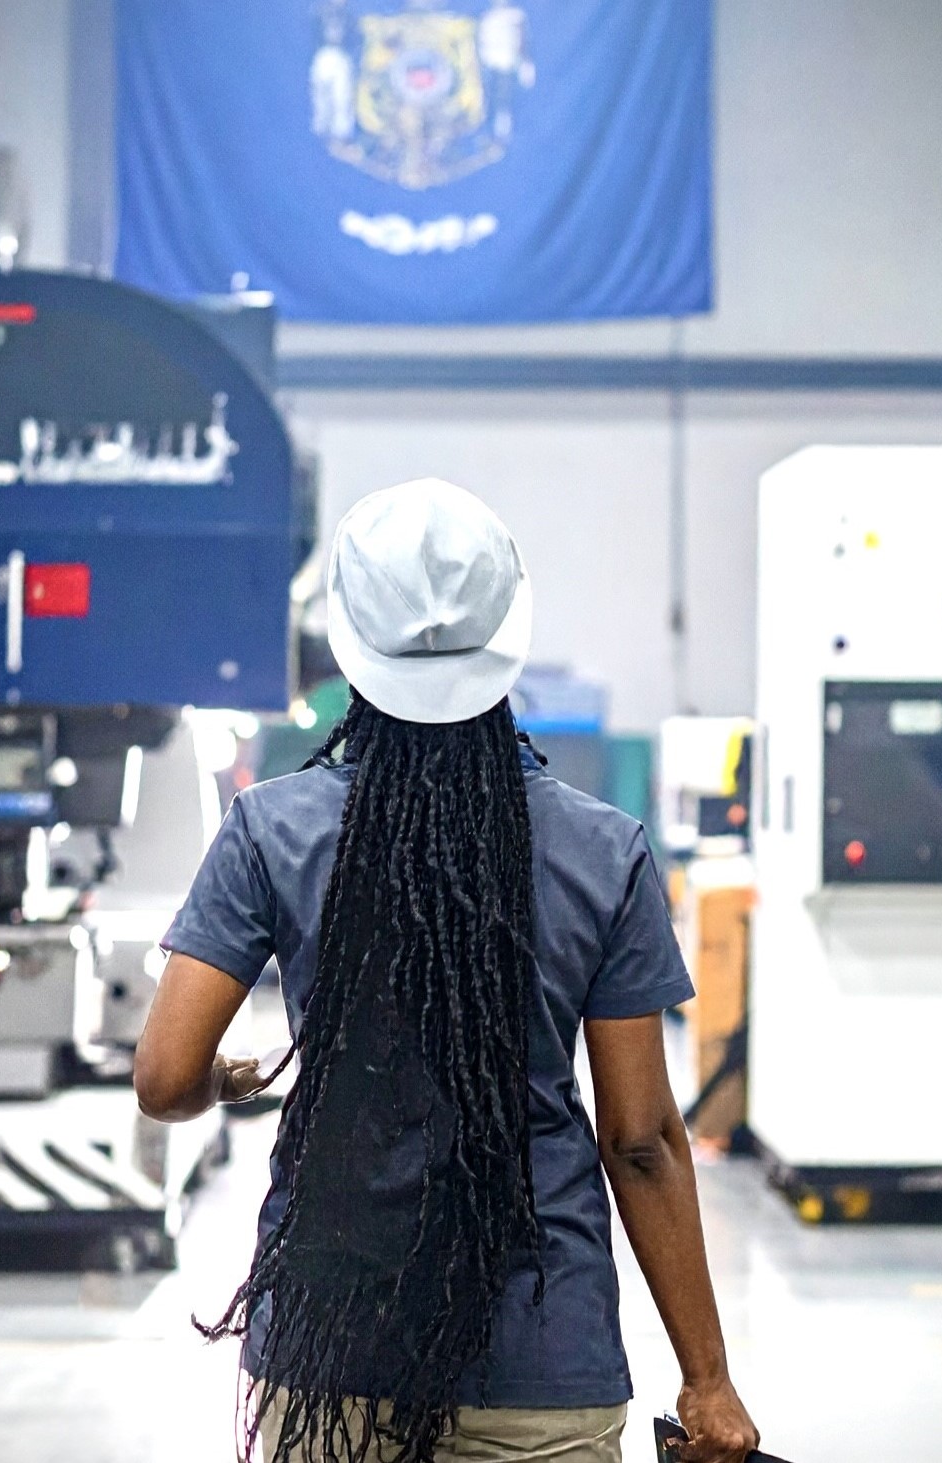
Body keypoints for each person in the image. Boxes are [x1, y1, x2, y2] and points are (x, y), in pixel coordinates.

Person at [136, 479, 761, 1463]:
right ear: (510, 630)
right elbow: (638, 1138)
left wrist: (225, 1077)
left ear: (348, 642)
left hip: (329, 1354)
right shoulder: (605, 851)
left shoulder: (270, 830)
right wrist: (707, 1379)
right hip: (542, 1361)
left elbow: (165, 1077)